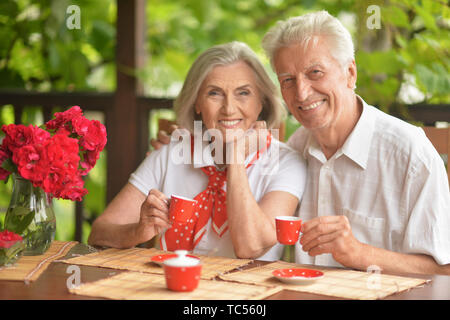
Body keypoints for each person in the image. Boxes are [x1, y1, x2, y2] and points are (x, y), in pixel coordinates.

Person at [152, 12, 450, 275]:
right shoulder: (296, 148)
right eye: (288, 80)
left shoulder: (409, 153)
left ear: (350, 73)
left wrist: (359, 253)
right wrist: (188, 143)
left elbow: (444, 269)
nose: (302, 93)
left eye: (315, 73)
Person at [88, 41, 307, 260]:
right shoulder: (171, 152)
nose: (229, 108)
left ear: (261, 102)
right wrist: (137, 231)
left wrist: (235, 160)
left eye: (243, 93)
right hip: (172, 287)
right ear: (197, 104)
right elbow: (99, 233)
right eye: (214, 93)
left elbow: (250, 248)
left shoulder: (287, 162)